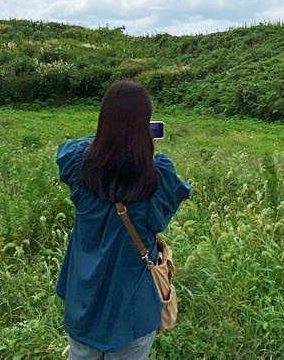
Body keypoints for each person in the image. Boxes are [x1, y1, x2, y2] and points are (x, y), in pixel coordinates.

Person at [55, 80, 191, 360]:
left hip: (84, 303)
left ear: (103, 122)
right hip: (133, 311)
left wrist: (107, 141)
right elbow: (161, 217)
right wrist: (136, 143)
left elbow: (69, 149)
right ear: (145, 125)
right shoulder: (158, 176)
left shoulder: (81, 166)